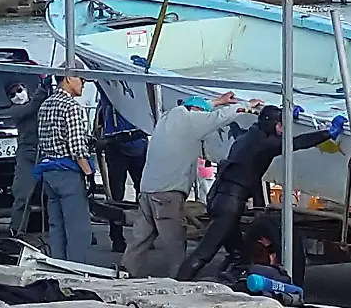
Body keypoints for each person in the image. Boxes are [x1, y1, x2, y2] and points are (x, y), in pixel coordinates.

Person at [175, 105, 346, 280]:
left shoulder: (249, 136)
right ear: (271, 124)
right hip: (229, 204)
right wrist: (328, 133)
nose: (282, 130)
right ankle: (177, 285)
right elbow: (296, 143)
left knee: (239, 254)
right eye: (280, 125)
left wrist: (286, 116)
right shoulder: (265, 144)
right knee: (204, 252)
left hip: (219, 198)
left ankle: (232, 280)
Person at [125, 92, 263, 278]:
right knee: (174, 241)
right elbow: (219, 118)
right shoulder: (191, 121)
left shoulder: (167, 117)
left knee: (140, 238)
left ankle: (126, 272)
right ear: (196, 111)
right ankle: (178, 279)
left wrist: (218, 101)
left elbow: (203, 108)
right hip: (168, 193)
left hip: (147, 190)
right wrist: (248, 105)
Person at [34, 63, 94, 263]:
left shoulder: (46, 105)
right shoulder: (72, 107)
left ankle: (57, 265)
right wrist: (89, 174)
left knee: (56, 224)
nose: (83, 84)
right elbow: (77, 148)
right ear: (68, 78)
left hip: (48, 172)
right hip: (68, 173)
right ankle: (77, 269)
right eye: (81, 80)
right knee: (78, 227)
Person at [97, 95, 149, 252]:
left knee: (140, 195)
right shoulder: (109, 97)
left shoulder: (116, 96)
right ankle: (119, 238)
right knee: (118, 196)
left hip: (132, 147)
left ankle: (142, 237)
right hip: (121, 149)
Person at [4, 79, 50, 235]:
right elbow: (32, 107)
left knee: (55, 195)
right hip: (27, 157)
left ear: (25, 89)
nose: (17, 96)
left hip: (46, 154)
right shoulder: (16, 111)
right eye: (12, 94)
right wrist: (42, 88)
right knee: (22, 195)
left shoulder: (42, 104)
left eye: (19, 91)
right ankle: (16, 232)